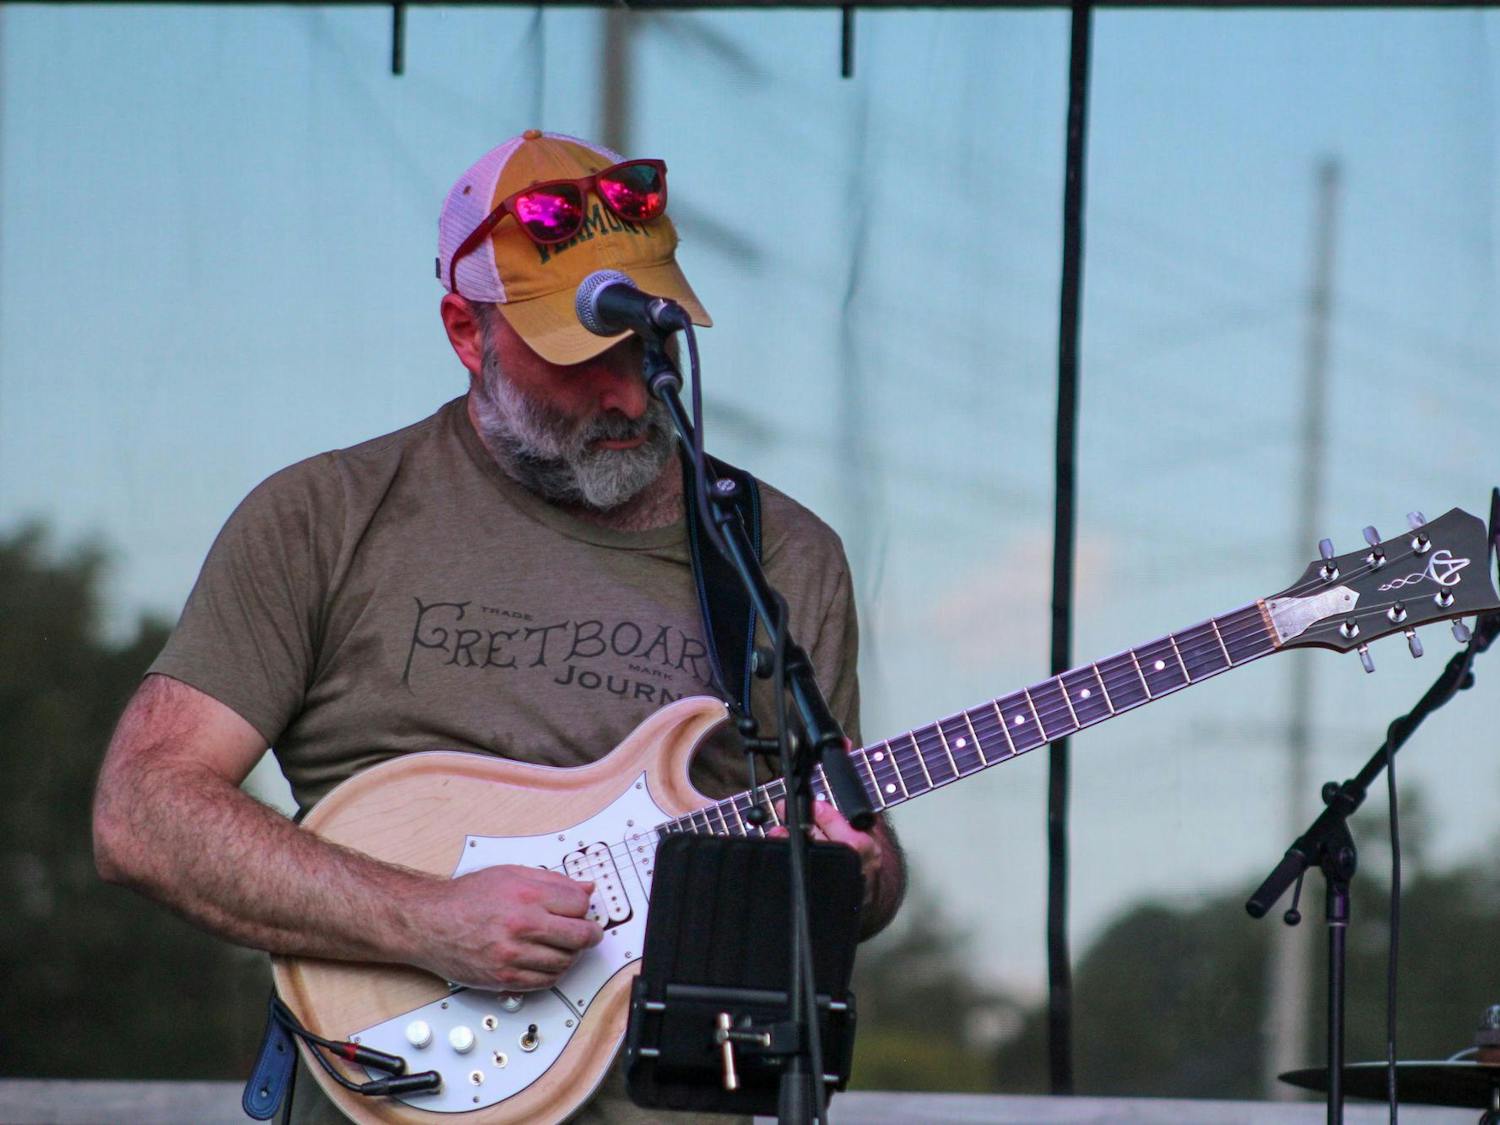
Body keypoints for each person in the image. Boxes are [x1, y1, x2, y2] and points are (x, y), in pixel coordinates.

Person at [91, 129, 904, 1123]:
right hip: (401, 1081)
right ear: (466, 332)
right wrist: (428, 919)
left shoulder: (777, 552)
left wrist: (849, 873)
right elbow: (142, 812)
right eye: (578, 355)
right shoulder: (323, 517)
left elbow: (853, 862)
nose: (625, 390)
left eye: (645, 345)